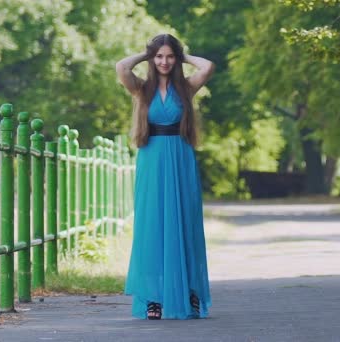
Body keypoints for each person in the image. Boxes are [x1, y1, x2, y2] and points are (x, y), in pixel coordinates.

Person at [116, 33, 214, 320]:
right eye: (160, 56)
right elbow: (122, 67)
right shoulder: (141, 89)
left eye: (169, 56)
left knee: (186, 222)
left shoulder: (187, 88)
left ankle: (191, 293)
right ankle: (152, 298)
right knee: (152, 225)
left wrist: (181, 55)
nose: (164, 61)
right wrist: (146, 54)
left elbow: (207, 66)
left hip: (181, 157)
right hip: (152, 159)